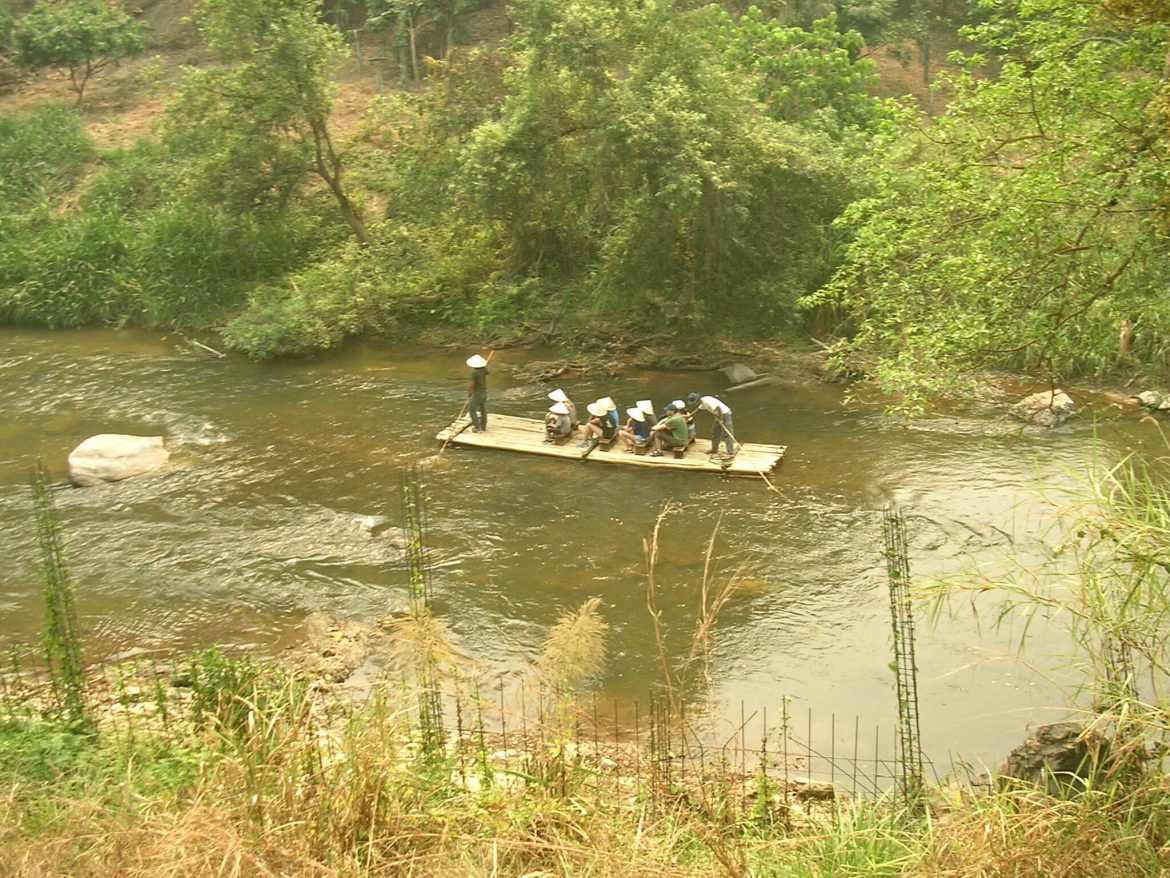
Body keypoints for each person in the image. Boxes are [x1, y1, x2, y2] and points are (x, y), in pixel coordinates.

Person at [466, 354, 489, 432]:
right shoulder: (484, 370)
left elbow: (471, 383)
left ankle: (477, 427)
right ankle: (483, 426)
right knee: (483, 410)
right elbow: (487, 373)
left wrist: (469, 392)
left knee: (471, 410)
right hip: (484, 392)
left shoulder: (474, 373)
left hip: (477, 393)